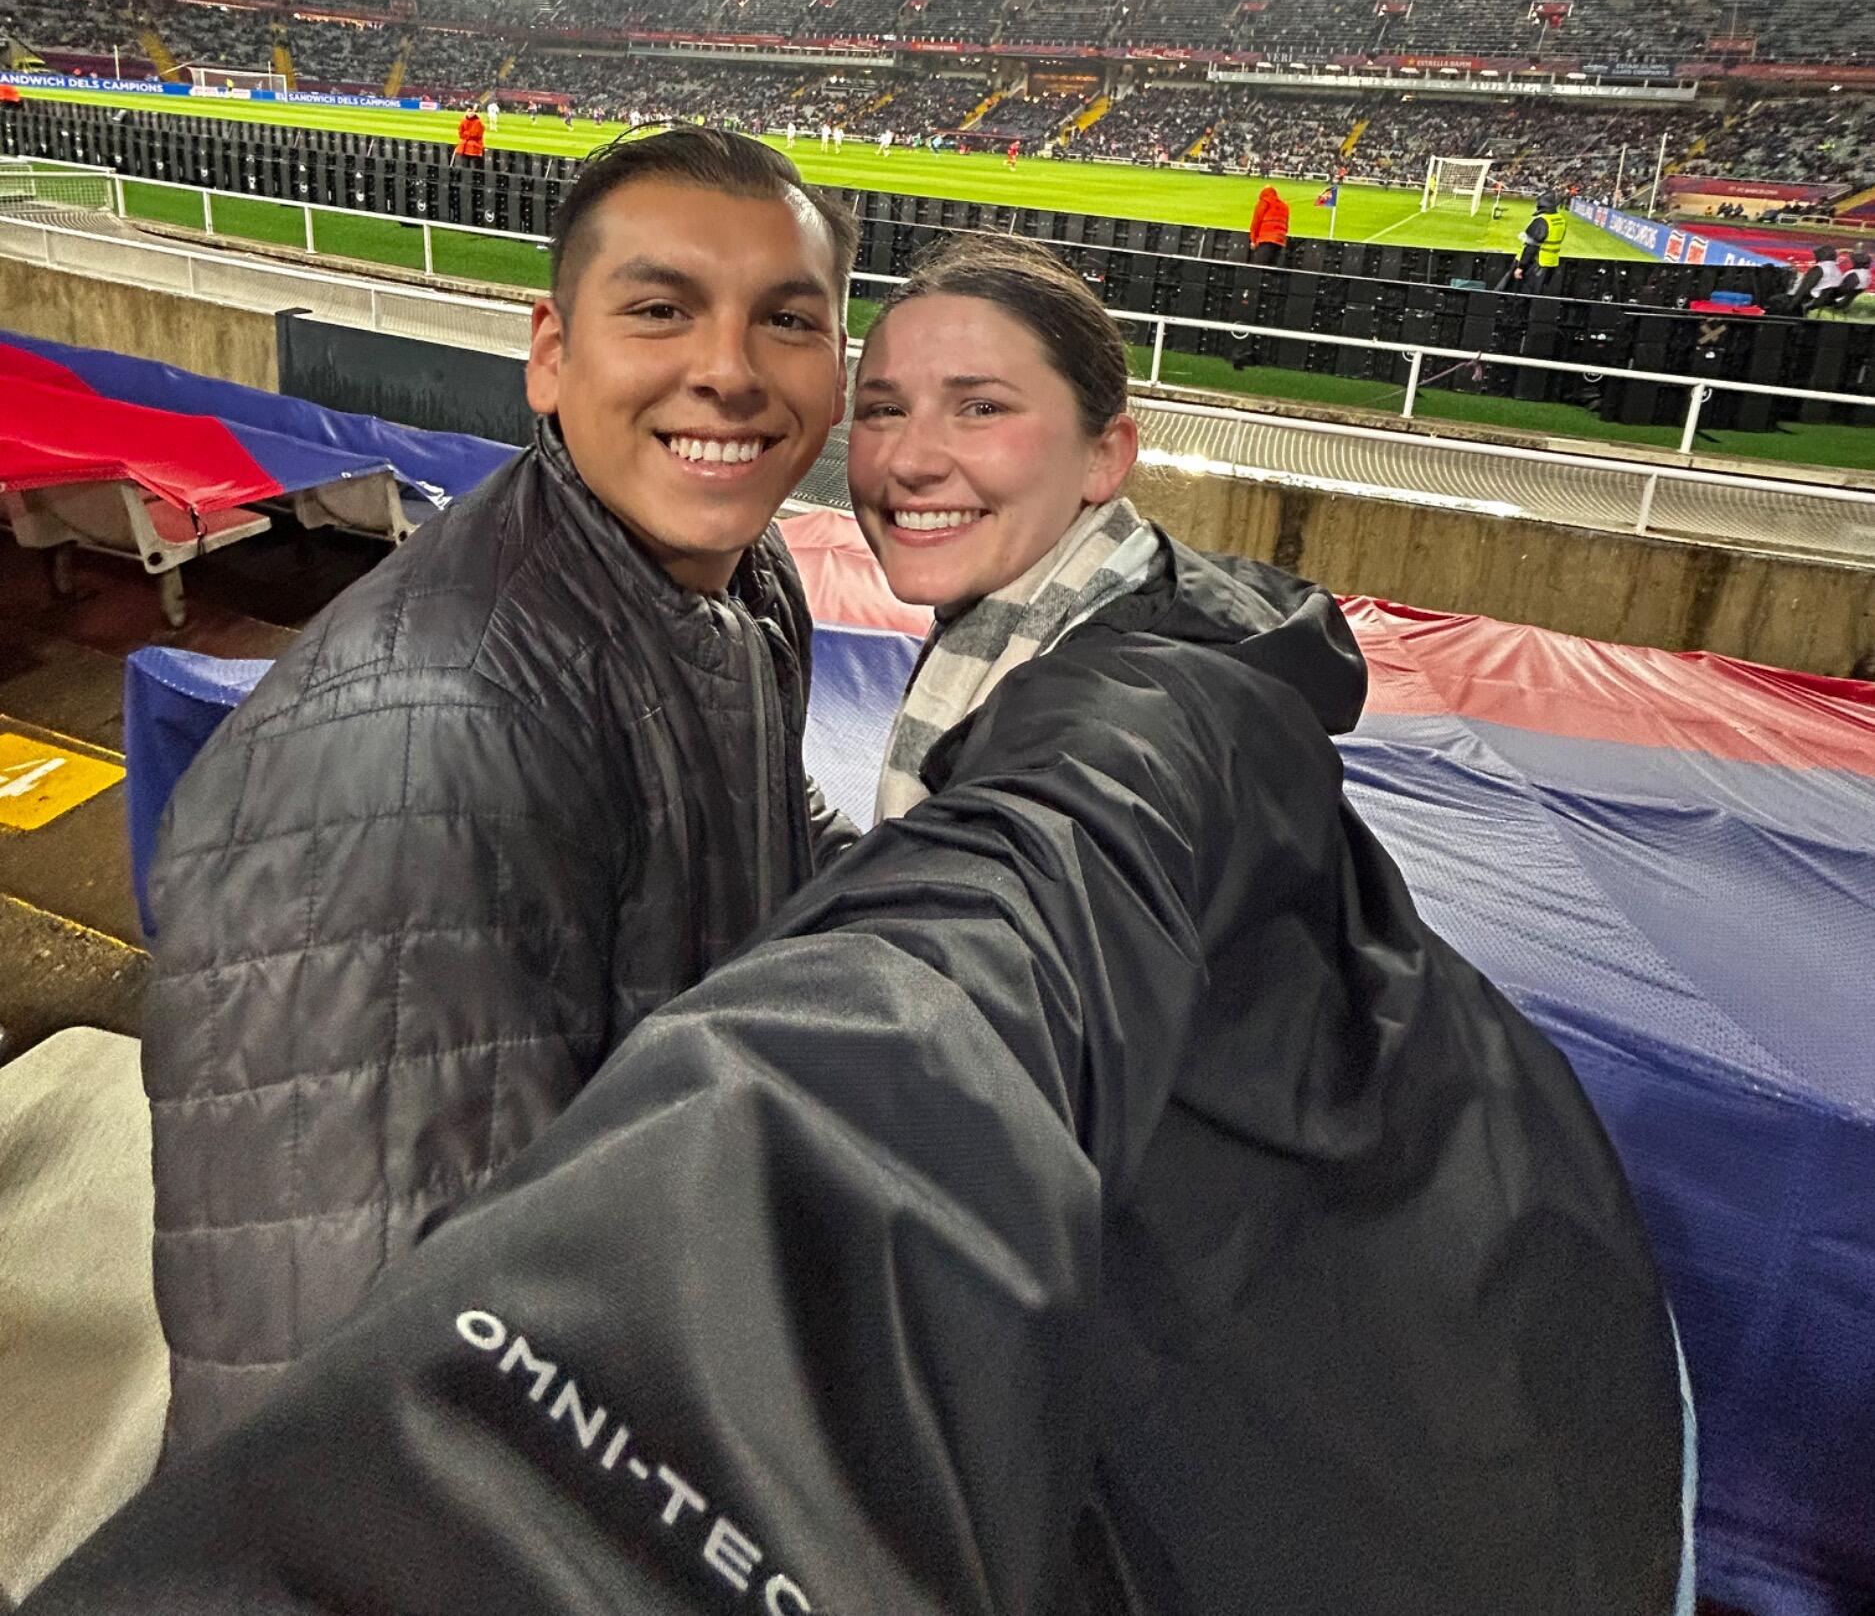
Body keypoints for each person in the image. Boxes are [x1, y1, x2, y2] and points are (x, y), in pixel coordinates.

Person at [36, 236, 1692, 1616]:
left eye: (982, 407)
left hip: (1391, 1467)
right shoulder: (1029, 643)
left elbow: (977, 962)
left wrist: (557, 1455)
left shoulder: (1155, 709)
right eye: (888, 406)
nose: (905, 456)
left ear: (1109, 451)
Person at [134, 127, 857, 1452]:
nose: (729, 371)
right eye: (659, 309)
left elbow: (780, 835)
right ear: (549, 353)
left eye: (787, 321)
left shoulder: (738, 585)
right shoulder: (420, 745)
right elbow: (358, 1380)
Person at [1248, 178, 1289, 262]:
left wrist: (1253, 240)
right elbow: (1286, 225)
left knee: (1258, 268)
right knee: (1270, 268)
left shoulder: (1265, 202)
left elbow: (1256, 221)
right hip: (1280, 240)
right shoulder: (1285, 206)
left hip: (1266, 238)